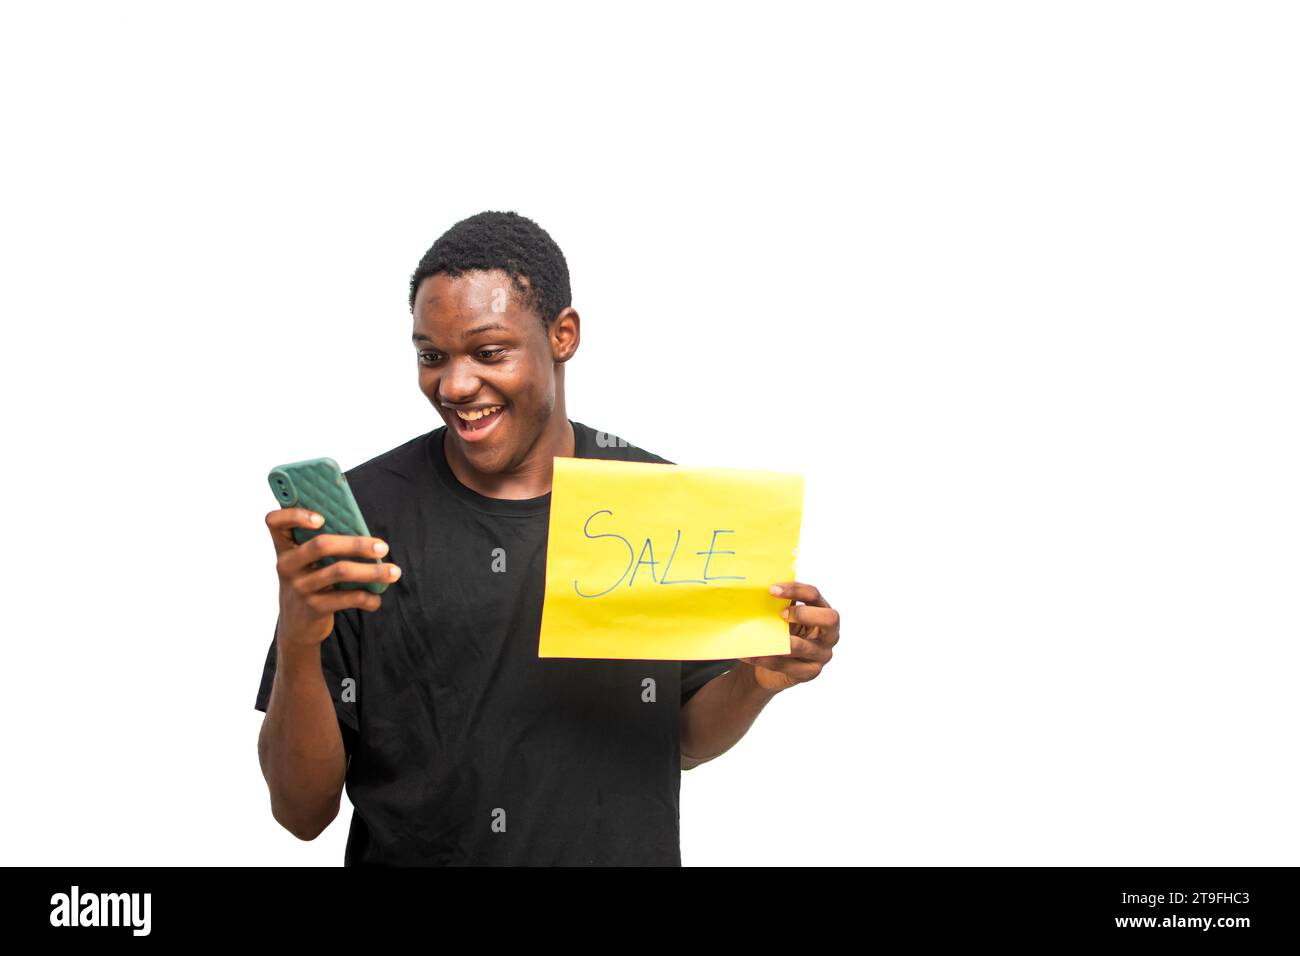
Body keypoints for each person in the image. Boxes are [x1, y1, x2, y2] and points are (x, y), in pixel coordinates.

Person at [254, 210, 841, 865]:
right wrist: (300, 642)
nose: (454, 385)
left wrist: (755, 679)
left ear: (563, 336)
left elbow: (677, 740)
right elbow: (301, 813)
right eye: (432, 356)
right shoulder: (363, 522)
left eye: (488, 351)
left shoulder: (654, 505)